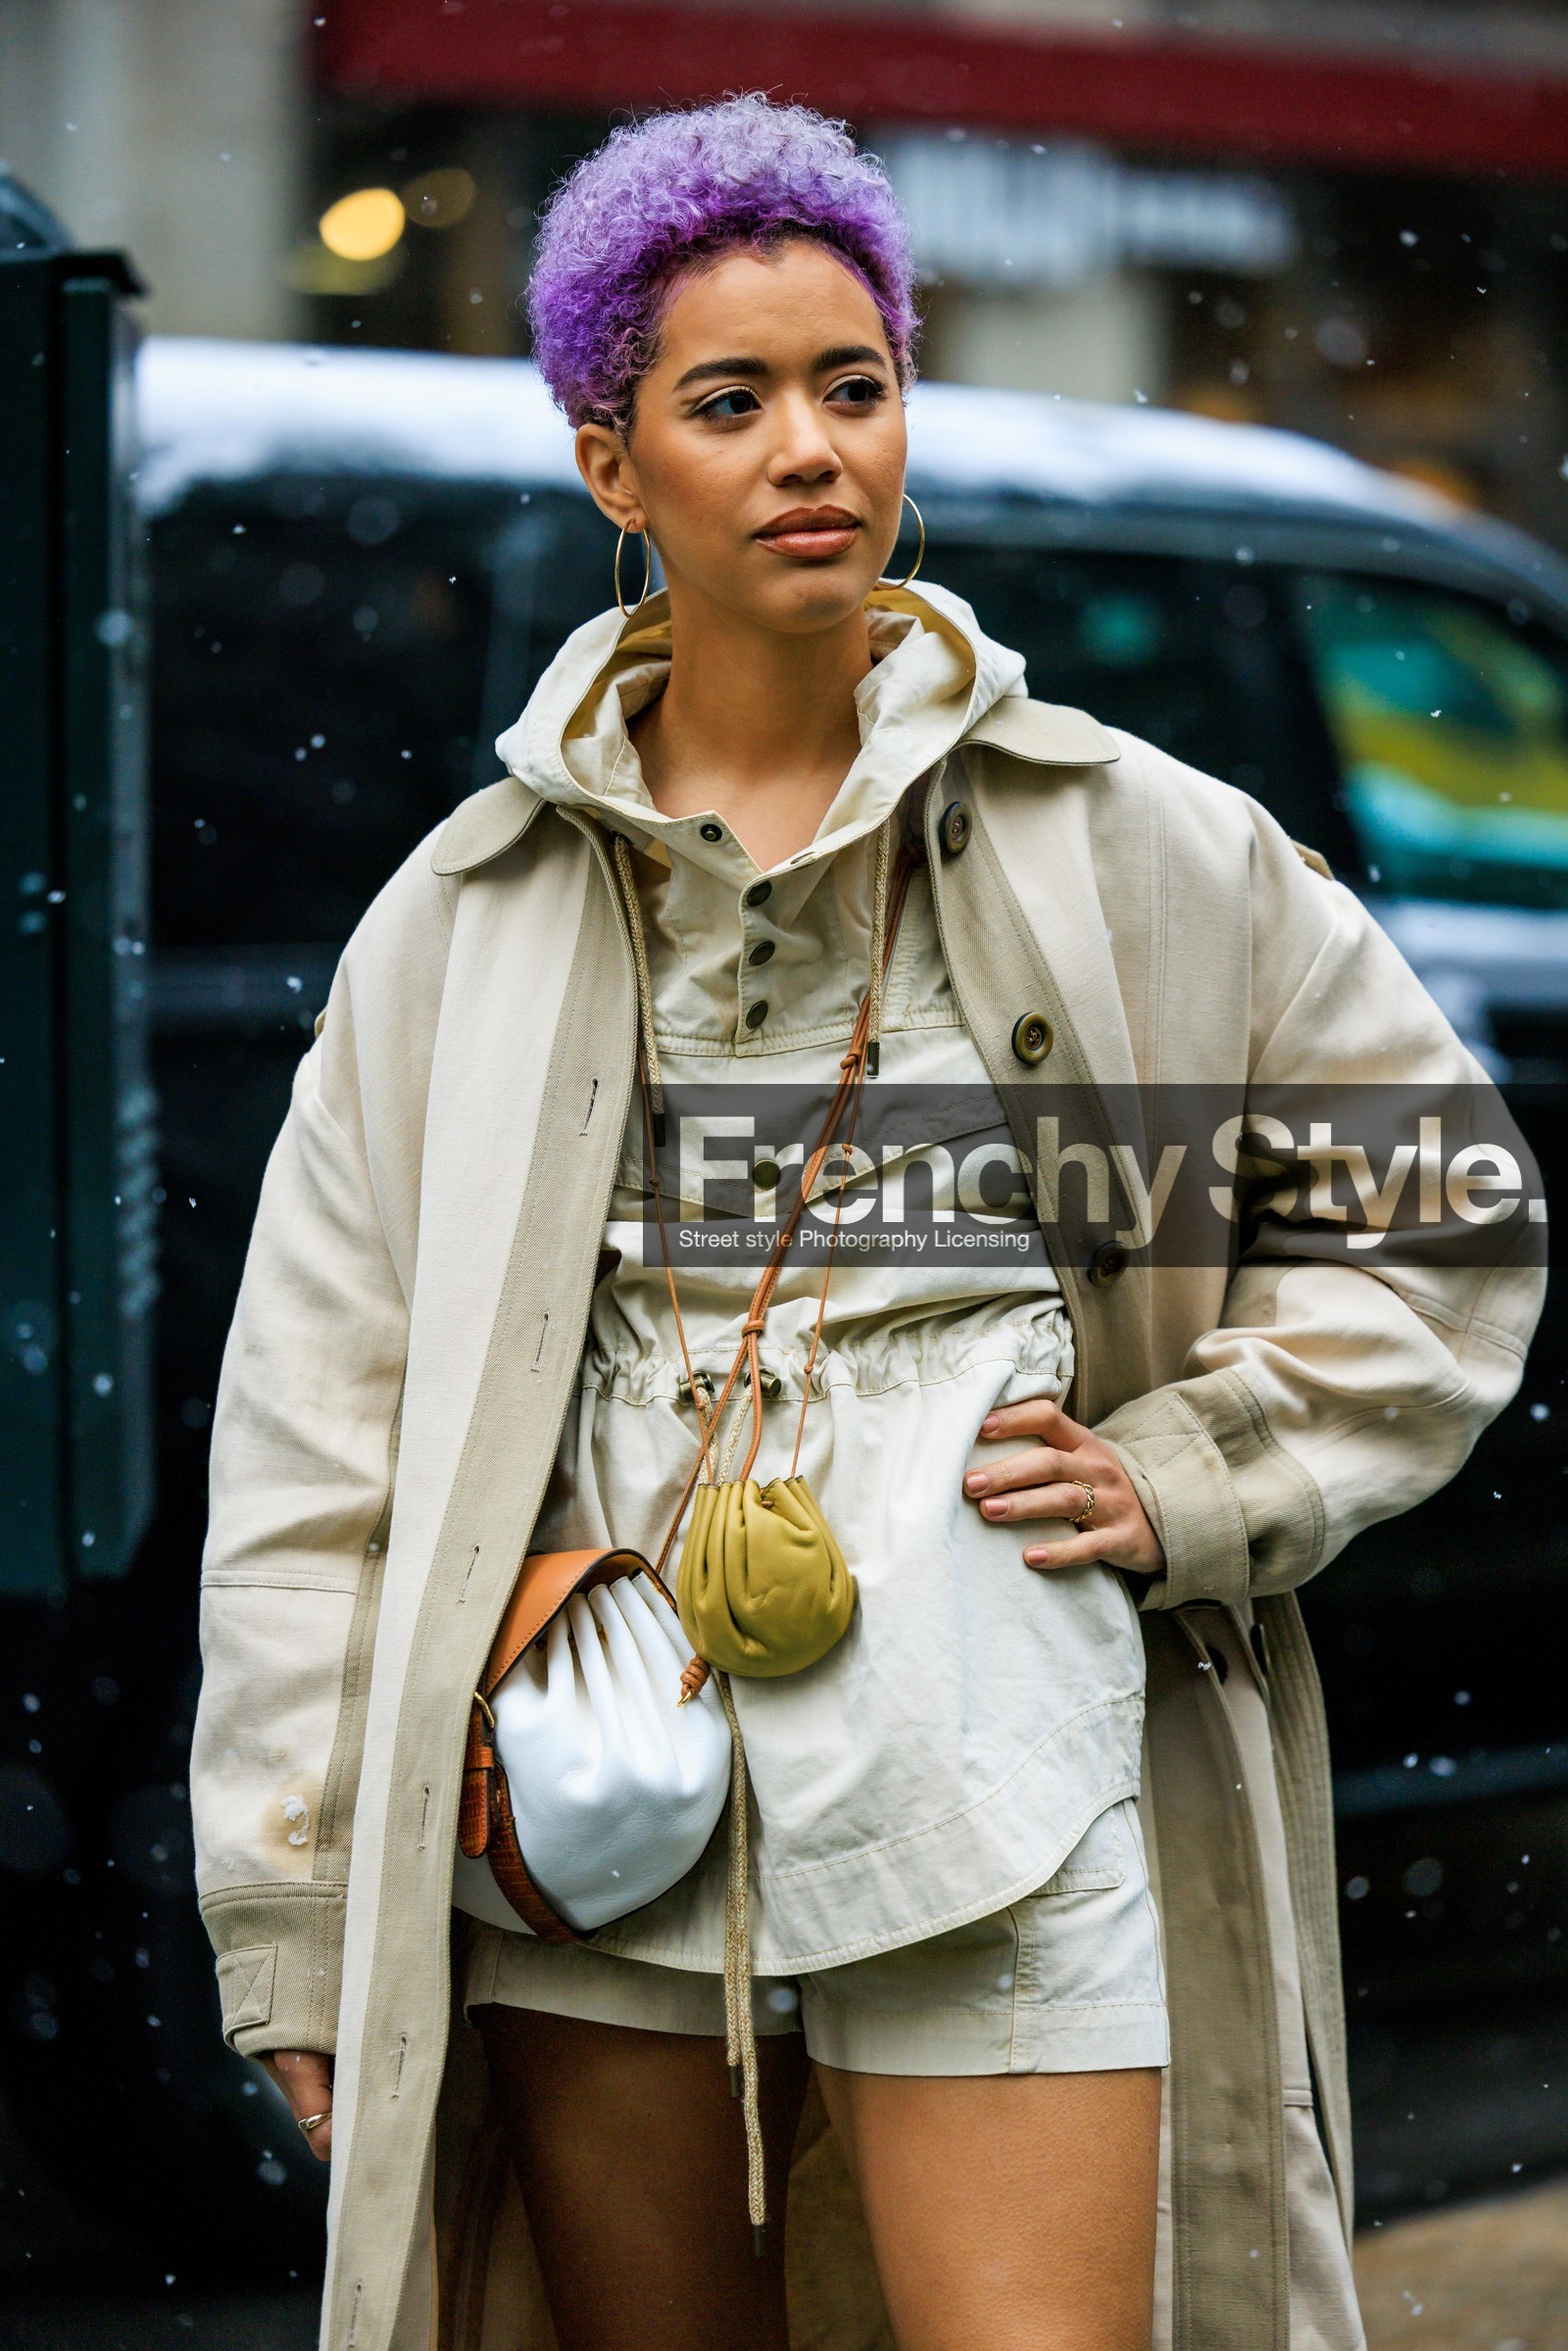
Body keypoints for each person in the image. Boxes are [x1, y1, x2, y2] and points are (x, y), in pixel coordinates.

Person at [189, 96, 1541, 2351]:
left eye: (855, 384)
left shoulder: (1123, 846)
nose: (811, 446)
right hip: (585, 1754)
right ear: (611, 464)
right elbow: (318, 1439)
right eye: (729, 401)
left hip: (998, 1740)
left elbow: (1429, 1204)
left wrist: (1197, 1466)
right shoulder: (470, 917)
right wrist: (296, 1902)